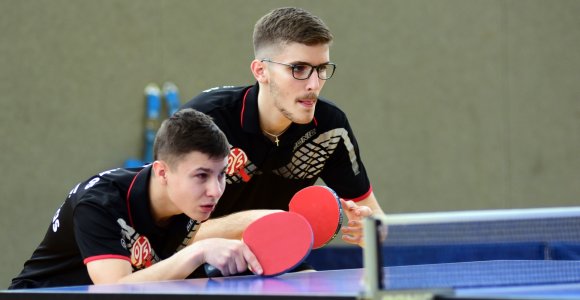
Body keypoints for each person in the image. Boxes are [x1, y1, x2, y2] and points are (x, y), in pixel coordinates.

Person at [182, 7, 384, 247]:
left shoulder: (330, 128)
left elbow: (376, 220)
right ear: (261, 71)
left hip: (276, 263)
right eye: (298, 69)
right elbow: (163, 235)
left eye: (321, 69)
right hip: (192, 269)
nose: (314, 84)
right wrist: (262, 220)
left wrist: (370, 232)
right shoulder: (204, 122)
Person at [9, 108, 262, 289]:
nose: (216, 190)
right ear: (162, 172)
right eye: (201, 175)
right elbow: (115, 289)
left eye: (221, 175)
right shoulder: (99, 202)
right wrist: (200, 251)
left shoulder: (191, 202)